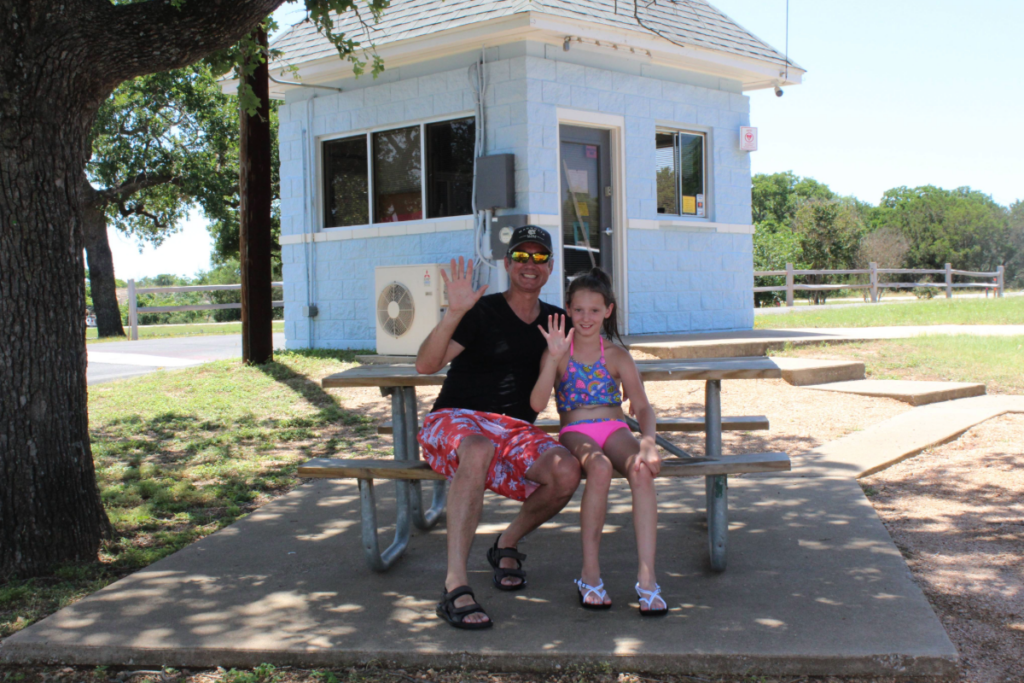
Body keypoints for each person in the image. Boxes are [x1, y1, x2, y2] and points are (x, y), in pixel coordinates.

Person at [415, 225, 582, 630]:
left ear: (550, 267)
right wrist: (453, 313)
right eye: (521, 256)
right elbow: (425, 365)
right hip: (455, 419)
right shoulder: (481, 311)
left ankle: (507, 541)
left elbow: (568, 379)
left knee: (567, 470)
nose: (530, 264)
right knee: (476, 448)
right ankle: (455, 584)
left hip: (513, 428)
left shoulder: (557, 320)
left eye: (539, 257)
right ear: (507, 264)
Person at [529, 267, 668, 616]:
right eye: (578, 310)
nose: (586, 317)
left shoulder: (617, 355)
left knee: (640, 470)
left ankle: (647, 579)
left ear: (608, 310)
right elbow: (536, 403)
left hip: (615, 429)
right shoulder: (559, 351)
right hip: (576, 431)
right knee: (601, 468)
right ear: (567, 310)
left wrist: (648, 443)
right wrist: (553, 359)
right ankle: (590, 574)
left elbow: (643, 408)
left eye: (594, 310)